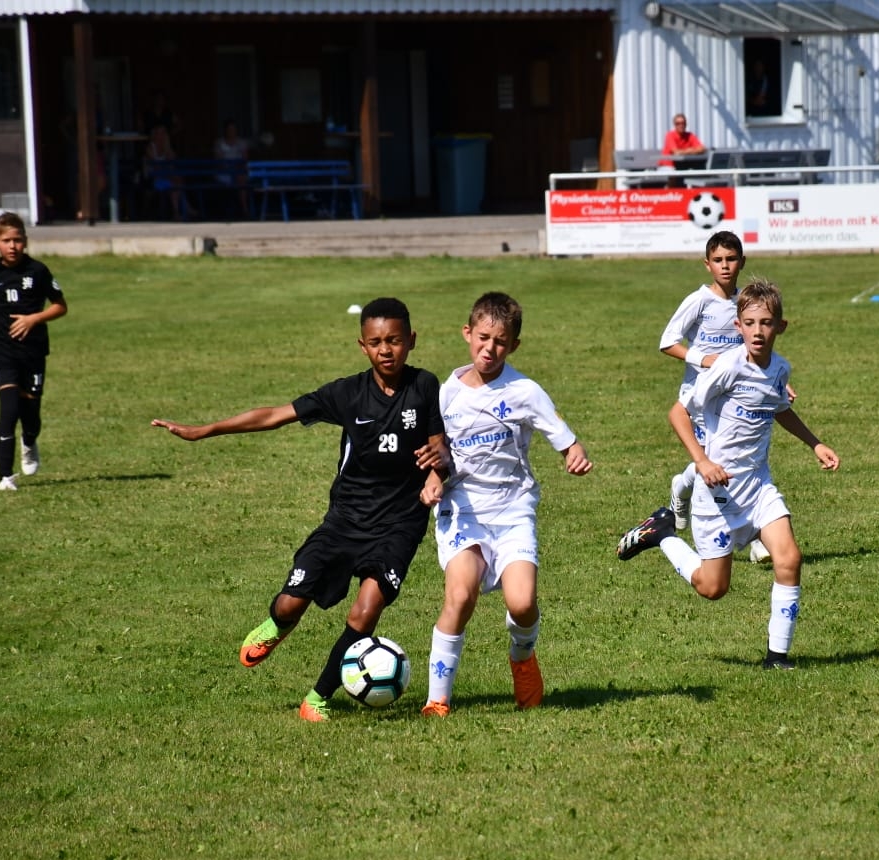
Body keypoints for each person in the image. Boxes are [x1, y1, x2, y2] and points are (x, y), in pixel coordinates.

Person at [151, 298, 448, 722]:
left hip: (400, 523)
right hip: (346, 520)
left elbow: (440, 446)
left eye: (395, 340)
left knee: (366, 609)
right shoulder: (347, 393)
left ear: (412, 340)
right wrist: (206, 430)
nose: (386, 350)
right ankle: (277, 626)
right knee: (290, 605)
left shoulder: (424, 386)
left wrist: (438, 472)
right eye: (376, 342)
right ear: (362, 346)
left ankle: (318, 698)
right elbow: (275, 415)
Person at [616, 279, 839, 670]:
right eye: (749, 323)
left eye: (766, 323)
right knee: (713, 587)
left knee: (789, 558)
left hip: (758, 485)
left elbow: (778, 408)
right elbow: (678, 413)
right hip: (718, 492)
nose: (758, 331)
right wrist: (702, 462)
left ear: (781, 327)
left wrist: (815, 443)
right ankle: (662, 534)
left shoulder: (780, 369)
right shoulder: (726, 368)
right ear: (738, 326)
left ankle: (777, 657)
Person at [418, 292, 594, 717]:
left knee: (522, 603)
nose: (489, 349)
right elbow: (435, 453)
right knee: (460, 596)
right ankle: (437, 699)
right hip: (463, 510)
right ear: (467, 334)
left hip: (513, 509)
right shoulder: (445, 395)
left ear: (513, 345)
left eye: (500, 342)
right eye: (483, 338)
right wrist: (432, 479)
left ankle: (522, 658)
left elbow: (566, 439)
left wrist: (574, 454)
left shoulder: (524, 392)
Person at [659, 231, 772, 564]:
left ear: (742, 262)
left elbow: (753, 348)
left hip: (735, 397)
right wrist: (705, 359)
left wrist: (773, 383)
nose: (725, 266)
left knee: (735, 459)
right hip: (698, 399)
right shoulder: (699, 301)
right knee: (714, 462)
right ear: (707, 264)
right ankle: (752, 536)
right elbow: (667, 341)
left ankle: (752, 533)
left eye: (731, 259)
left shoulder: (745, 303)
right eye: (718, 260)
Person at [0, 212, 68, 492]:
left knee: (31, 415)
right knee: (9, 409)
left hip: (33, 351)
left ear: (25, 241)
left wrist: (33, 319)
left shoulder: (37, 271)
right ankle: (5, 477)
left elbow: (60, 306)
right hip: (2, 349)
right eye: (6, 241)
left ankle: (29, 441)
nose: (12, 246)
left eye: (17, 240)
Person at [143, 123, 194, 221]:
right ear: (155, 134)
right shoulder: (150, 148)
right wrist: (166, 168)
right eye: (159, 133)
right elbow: (156, 167)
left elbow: (173, 162)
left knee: (177, 183)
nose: (162, 135)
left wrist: (167, 148)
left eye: (164, 133)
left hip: (167, 178)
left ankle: (178, 212)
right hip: (154, 180)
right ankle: (183, 209)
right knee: (175, 184)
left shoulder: (167, 147)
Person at [213, 119, 251, 218]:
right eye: (229, 129)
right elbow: (219, 160)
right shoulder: (219, 143)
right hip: (224, 172)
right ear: (225, 130)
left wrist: (237, 167)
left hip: (239, 172)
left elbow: (245, 159)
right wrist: (229, 167)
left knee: (241, 179)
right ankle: (230, 210)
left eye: (233, 129)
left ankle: (244, 208)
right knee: (231, 180)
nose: (231, 131)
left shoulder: (242, 143)